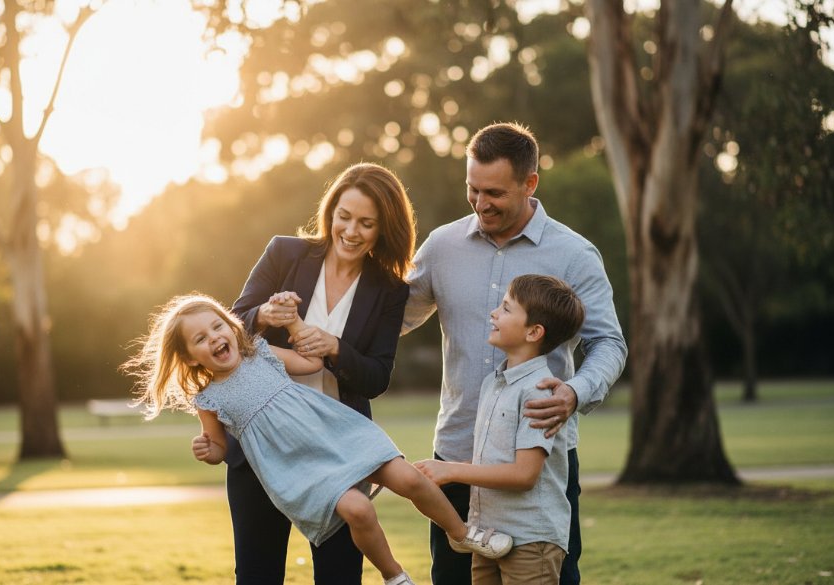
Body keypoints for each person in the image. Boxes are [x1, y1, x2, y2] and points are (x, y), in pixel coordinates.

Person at [127, 293, 514, 585]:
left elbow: (311, 363)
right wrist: (207, 450)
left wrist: (294, 325)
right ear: (191, 358)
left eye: (217, 327)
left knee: (411, 478)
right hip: (299, 466)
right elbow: (220, 449)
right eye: (199, 339)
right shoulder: (208, 398)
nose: (213, 338)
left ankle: (462, 534)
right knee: (359, 511)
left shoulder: (259, 352)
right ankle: (395, 576)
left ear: (231, 327)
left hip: (334, 432)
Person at [402, 122, 628, 585]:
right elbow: (391, 319)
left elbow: (608, 343)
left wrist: (574, 392)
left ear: (530, 184)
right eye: (472, 189)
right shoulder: (441, 247)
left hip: (540, 469)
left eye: (495, 193)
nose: (481, 203)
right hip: (456, 458)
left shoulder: (575, 254)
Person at [229, 163, 417, 584]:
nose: (351, 231)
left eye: (366, 223)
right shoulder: (285, 253)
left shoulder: (390, 290)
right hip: (263, 444)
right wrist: (261, 314)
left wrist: (336, 349)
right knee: (257, 575)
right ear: (330, 212)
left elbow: (377, 377)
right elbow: (230, 326)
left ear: (384, 228)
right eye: (344, 217)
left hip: (338, 451)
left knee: (340, 576)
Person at [415, 275, 586, 584]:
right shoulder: (494, 383)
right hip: (489, 537)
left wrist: (452, 470)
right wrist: (435, 470)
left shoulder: (538, 393)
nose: (494, 313)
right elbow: (494, 461)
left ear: (534, 332)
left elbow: (523, 475)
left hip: (530, 541)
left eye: (506, 308)